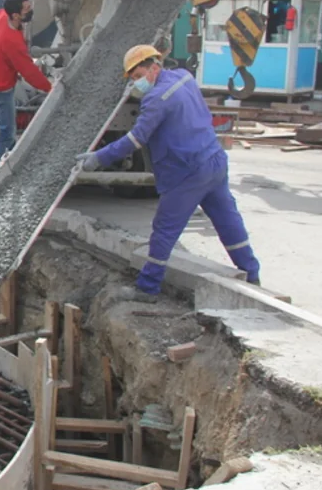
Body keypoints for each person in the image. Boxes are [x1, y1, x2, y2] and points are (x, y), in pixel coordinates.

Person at [76, 45, 260, 301]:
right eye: (132, 80)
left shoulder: (156, 98)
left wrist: (98, 157)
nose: (135, 84)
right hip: (214, 160)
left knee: (164, 229)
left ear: (154, 66)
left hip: (187, 170)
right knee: (227, 220)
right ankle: (251, 273)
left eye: (137, 76)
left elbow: (136, 139)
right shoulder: (184, 76)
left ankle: (148, 287)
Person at [0, 0, 52, 167]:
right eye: (27, 8)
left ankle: (11, 159)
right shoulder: (12, 41)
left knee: (7, 125)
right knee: (7, 131)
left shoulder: (1, 15)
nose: (31, 10)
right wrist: (49, 87)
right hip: (2, 87)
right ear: (16, 16)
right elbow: (29, 72)